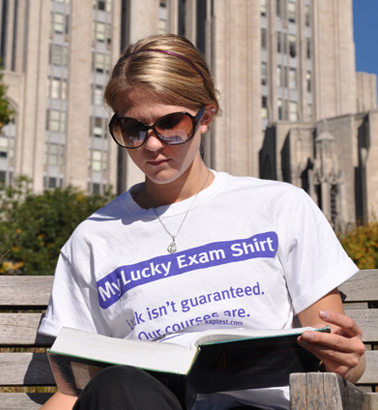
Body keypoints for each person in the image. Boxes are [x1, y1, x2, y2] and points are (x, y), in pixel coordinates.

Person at [39, 34, 365, 410]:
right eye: (133, 128)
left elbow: (338, 355)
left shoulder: (280, 205)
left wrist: (346, 359)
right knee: (118, 384)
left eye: (171, 123)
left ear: (205, 117)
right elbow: (73, 390)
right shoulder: (93, 239)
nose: (152, 144)